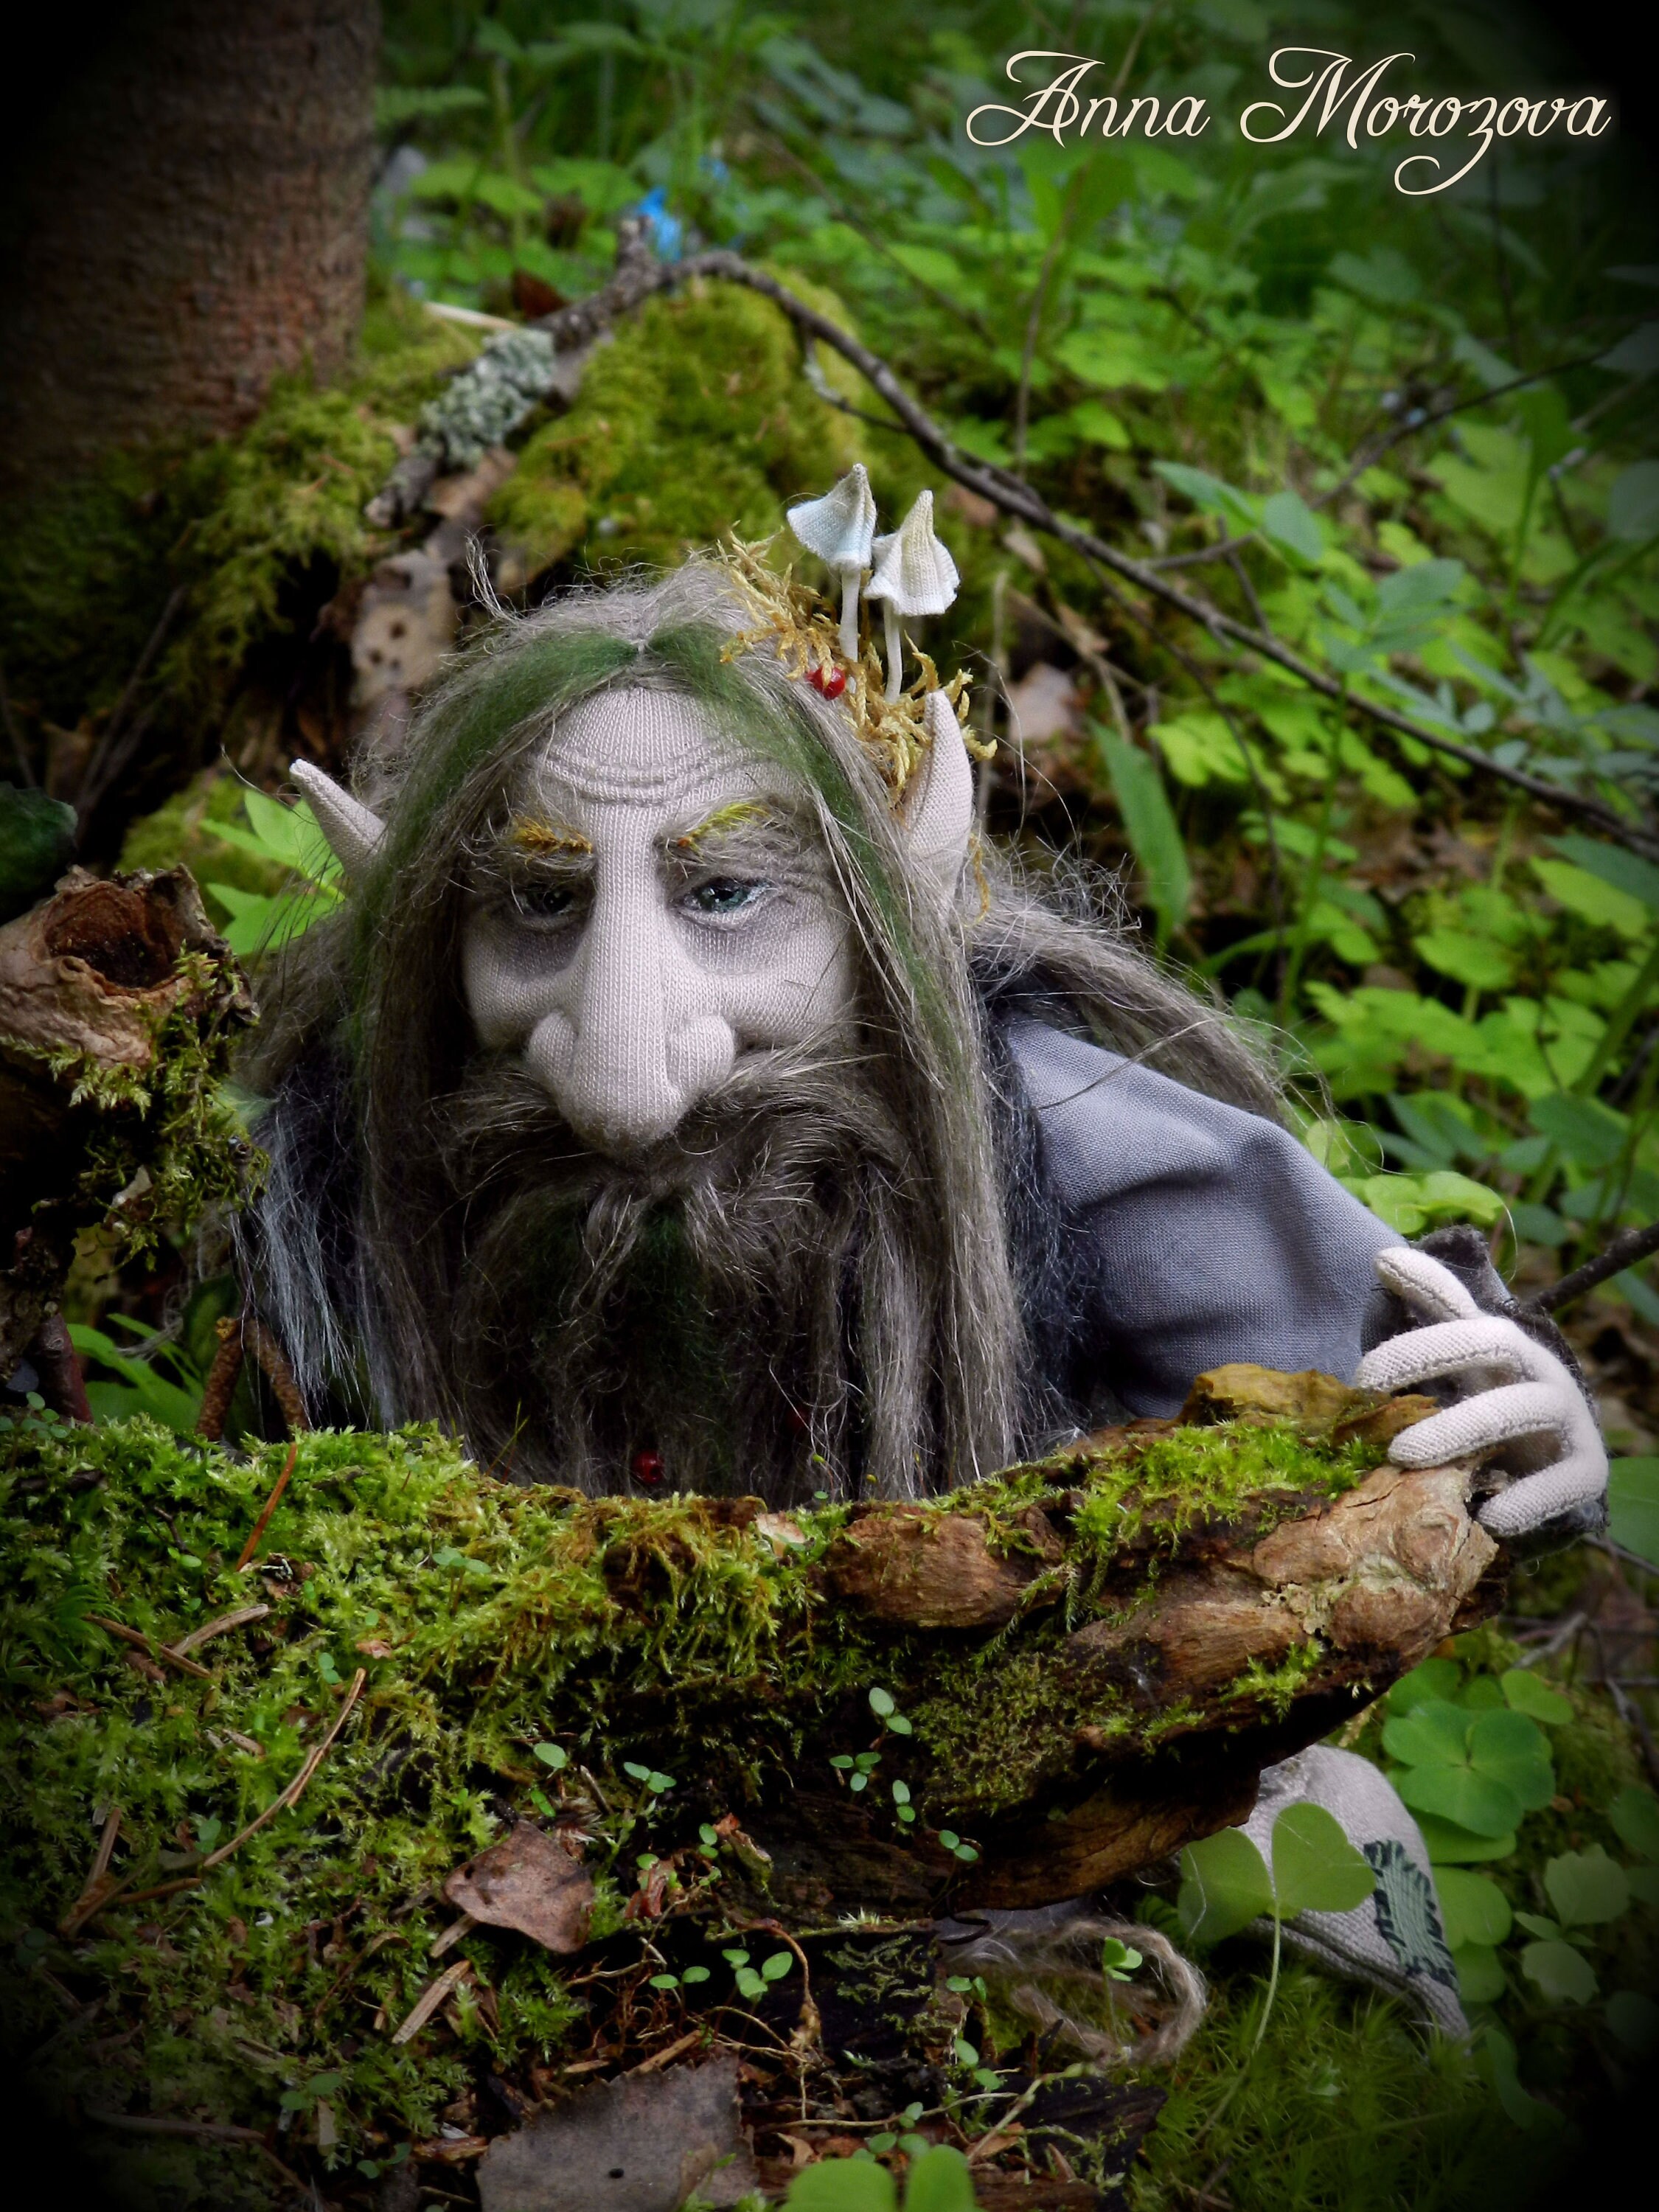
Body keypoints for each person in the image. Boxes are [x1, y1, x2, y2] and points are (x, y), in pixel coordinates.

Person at [251, 476, 1607, 2026]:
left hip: (1024, 1797)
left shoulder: (1051, 1131)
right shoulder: (359, 1169)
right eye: (541, 902)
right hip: (518, 1833)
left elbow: (1382, 1377)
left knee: (1329, 1842)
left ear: (875, 917)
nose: (623, 1081)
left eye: (729, 891)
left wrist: (1509, 1441)